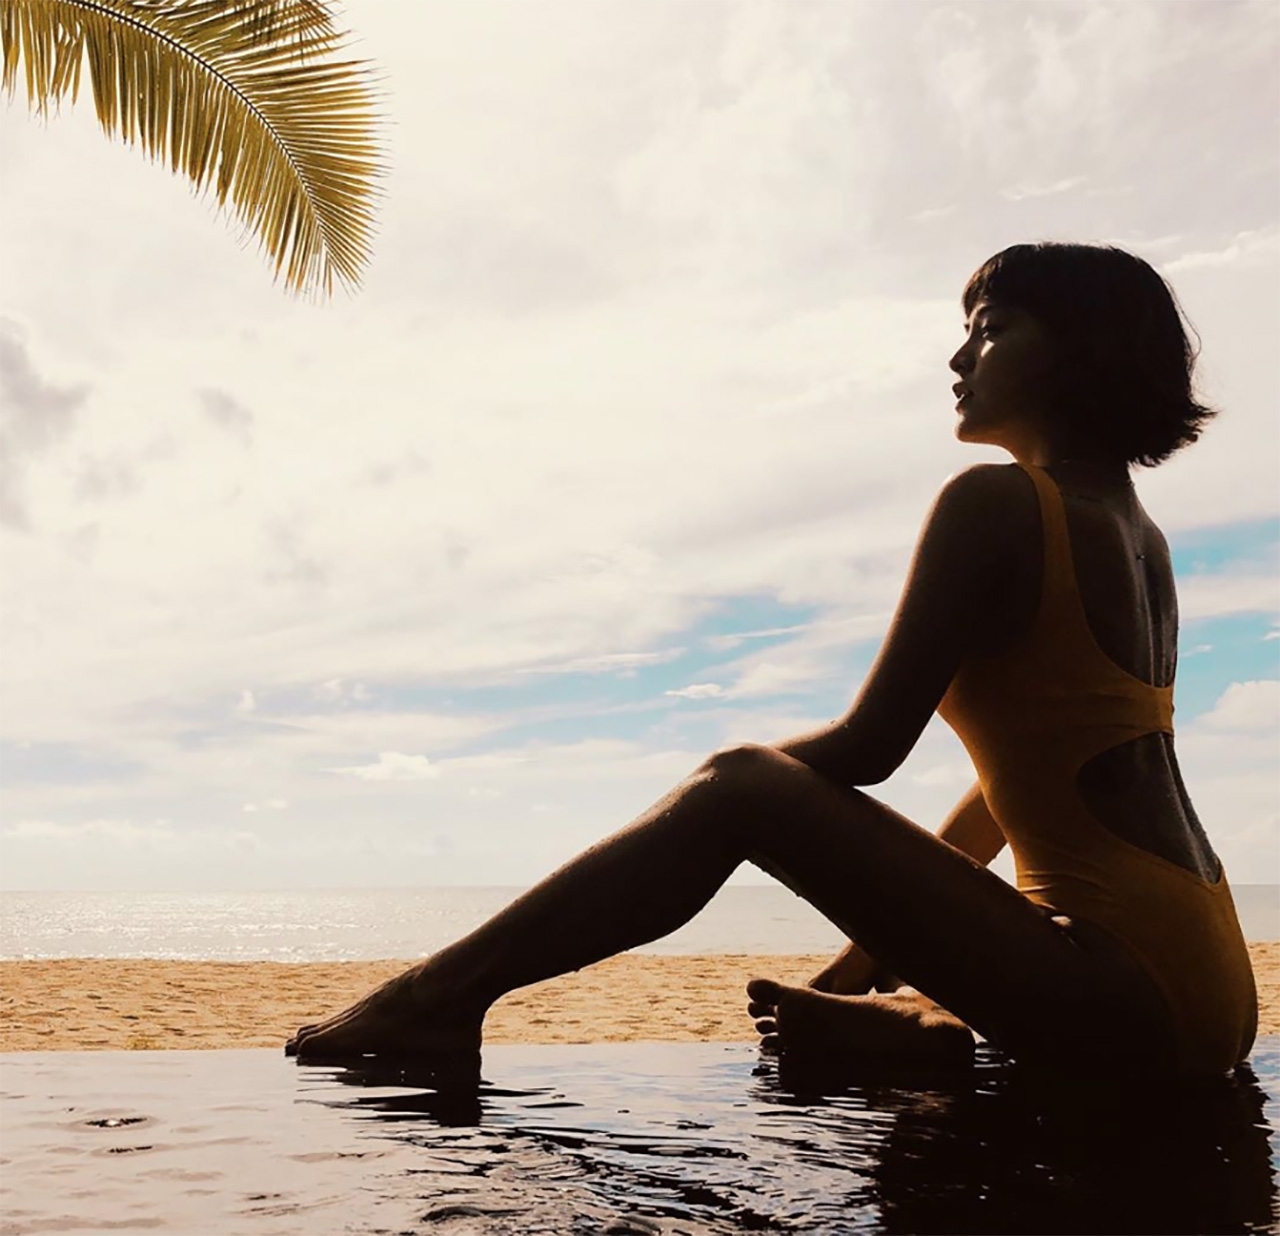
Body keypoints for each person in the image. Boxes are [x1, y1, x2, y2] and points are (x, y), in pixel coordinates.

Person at [287, 242, 1257, 1078]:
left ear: (1078, 349)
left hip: (1118, 990)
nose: (958, 355)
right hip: (1205, 986)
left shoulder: (997, 503)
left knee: (738, 782)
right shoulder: (1136, 535)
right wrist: (855, 961)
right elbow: (1010, 793)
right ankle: (909, 1022)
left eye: (990, 327)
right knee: (743, 793)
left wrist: (699, 808)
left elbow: (868, 747)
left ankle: (431, 999)